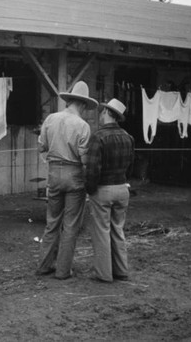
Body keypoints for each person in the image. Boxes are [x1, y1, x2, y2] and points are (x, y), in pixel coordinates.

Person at [36, 81, 98, 279]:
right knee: (71, 224)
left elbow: (41, 147)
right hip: (74, 175)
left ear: (69, 100)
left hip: (54, 173)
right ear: (82, 104)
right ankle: (63, 270)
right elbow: (84, 158)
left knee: (52, 221)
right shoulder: (82, 126)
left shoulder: (51, 119)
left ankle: (44, 265)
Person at [85, 98, 135, 282]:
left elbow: (92, 169)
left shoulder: (98, 137)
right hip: (122, 188)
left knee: (102, 232)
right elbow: (131, 167)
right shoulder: (128, 137)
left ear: (107, 113)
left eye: (102, 111)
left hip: (103, 189)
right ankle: (121, 270)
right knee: (118, 230)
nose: (100, 114)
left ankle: (104, 274)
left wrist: (90, 190)